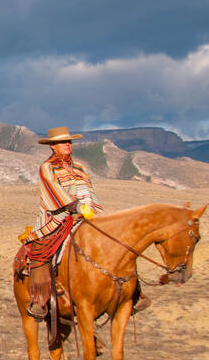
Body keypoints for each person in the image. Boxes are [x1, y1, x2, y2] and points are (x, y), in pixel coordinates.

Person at [21, 126, 148, 320]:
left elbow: (88, 190)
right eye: (63, 142)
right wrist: (76, 207)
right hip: (58, 217)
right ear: (53, 146)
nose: (67, 145)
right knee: (40, 249)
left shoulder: (80, 167)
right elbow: (53, 192)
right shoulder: (47, 168)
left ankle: (134, 293)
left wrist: (92, 210)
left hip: (87, 216)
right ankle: (39, 299)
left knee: (117, 244)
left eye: (69, 141)